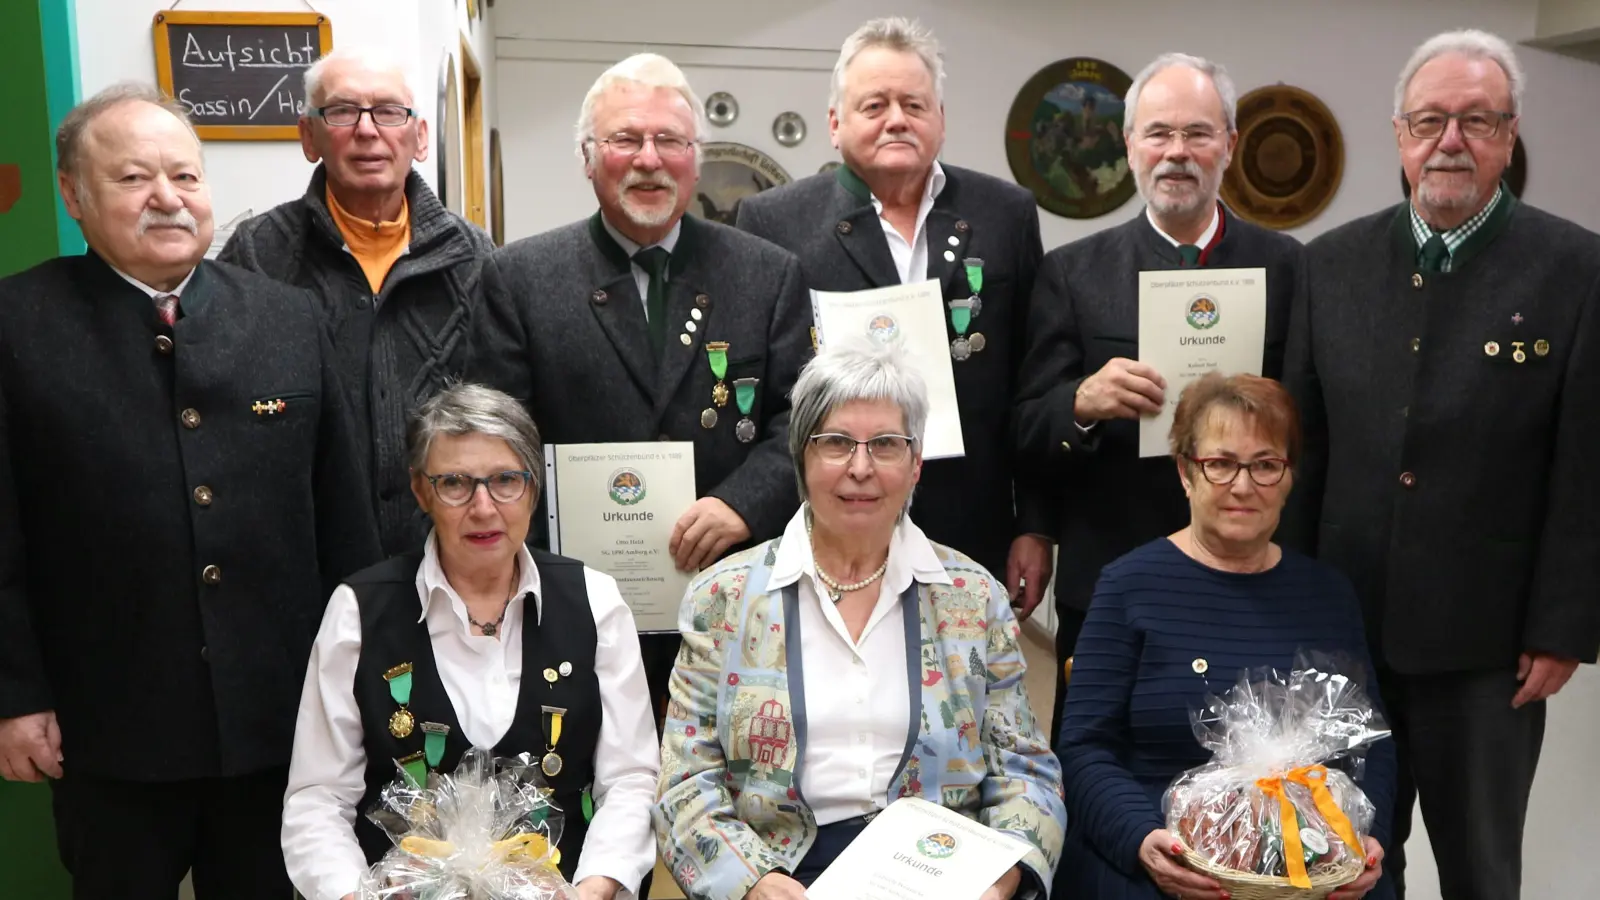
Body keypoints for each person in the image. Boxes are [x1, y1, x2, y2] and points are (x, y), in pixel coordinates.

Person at [0, 83, 381, 898]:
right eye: (134, 179)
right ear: (73, 195)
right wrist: (14, 697)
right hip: (107, 725)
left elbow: (342, 520)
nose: (167, 198)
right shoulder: (18, 325)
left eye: (186, 176)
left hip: (276, 720)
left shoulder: (287, 318)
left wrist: (362, 680)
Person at [1283, 30, 1600, 900]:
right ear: (1399, 132)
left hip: (1489, 651)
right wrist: (1288, 604)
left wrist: (1564, 624)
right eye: (1430, 120)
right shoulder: (1330, 264)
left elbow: (1586, 468)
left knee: (1483, 874)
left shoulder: (1579, 268)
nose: (1449, 140)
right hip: (1343, 635)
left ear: (1508, 135)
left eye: (1475, 120)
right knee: (1339, 869)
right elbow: (1303, 455)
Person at [468, 53, 810, 726]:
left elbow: (800, 418)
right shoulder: (519, 278)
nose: (649, 160)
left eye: (670, 141)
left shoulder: (768, 275)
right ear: (589, 158)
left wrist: (743, 503)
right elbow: (496, 443)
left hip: (733, 593)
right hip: (572, 600)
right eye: (626, 139)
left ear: (695, 158)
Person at [655, 340, 1066, 900]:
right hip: (784, 873)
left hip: (940, 875)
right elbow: (684, 784)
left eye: (886, 445)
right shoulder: (722, 599)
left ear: (916, 462)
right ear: (801, 455)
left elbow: (1026, 771)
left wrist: (996, 882)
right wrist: (753, 884)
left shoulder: (973, 597)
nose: (861, 467)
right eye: (836, 443)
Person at [1012, 53, 1304, 736]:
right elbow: (1026, 427)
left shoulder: (1290, 267)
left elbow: (1315, 418)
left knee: (1249, 774)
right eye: (1158, 133)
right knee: (1097, 775)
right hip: (1112, 576)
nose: (1177, 153)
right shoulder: (1071, 273)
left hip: (1253, 576)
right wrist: (1080, 404)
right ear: (1128, 146)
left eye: (1198, 134)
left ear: (1230, 145)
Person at [282, 383, 659, 900]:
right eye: (455, 483)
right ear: (420, 490)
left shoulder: (596, 600)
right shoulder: (357, 611)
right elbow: (318, 798)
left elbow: (632, 779)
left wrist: (592, 891)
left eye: (506, 480)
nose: (483, 507)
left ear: (534, 487)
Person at [736, 17, 1056, 624]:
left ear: (940, 117)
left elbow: (1029, 382)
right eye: (874, 104)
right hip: (831, 516)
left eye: (914, 103)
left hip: (973, 518)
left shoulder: (1004, 212)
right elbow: (771, 389)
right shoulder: (772, 221)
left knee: (960, 699)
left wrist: (1033, 526)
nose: (896, 119)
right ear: (836, 124)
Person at [1055, 373, 1396, 900]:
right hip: (1161, 860)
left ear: (1289, 478)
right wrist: (1143, 840)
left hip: (1316, 862)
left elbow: (1370, 747)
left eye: (1265, 465)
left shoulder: (1329, 594)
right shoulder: (1128, 585)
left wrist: (1362, 840)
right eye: (1220, 464)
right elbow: (1083, 748)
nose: (1243, 485)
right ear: (1186, 473)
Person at [222, 46, 495, 557]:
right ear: (309, 137)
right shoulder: (257, 254)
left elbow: (500, 411)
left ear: (420, 138)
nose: (368, 131)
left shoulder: (475, 257)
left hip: (445, 557)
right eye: (343, 111)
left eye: (390, 112)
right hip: (304, 557)